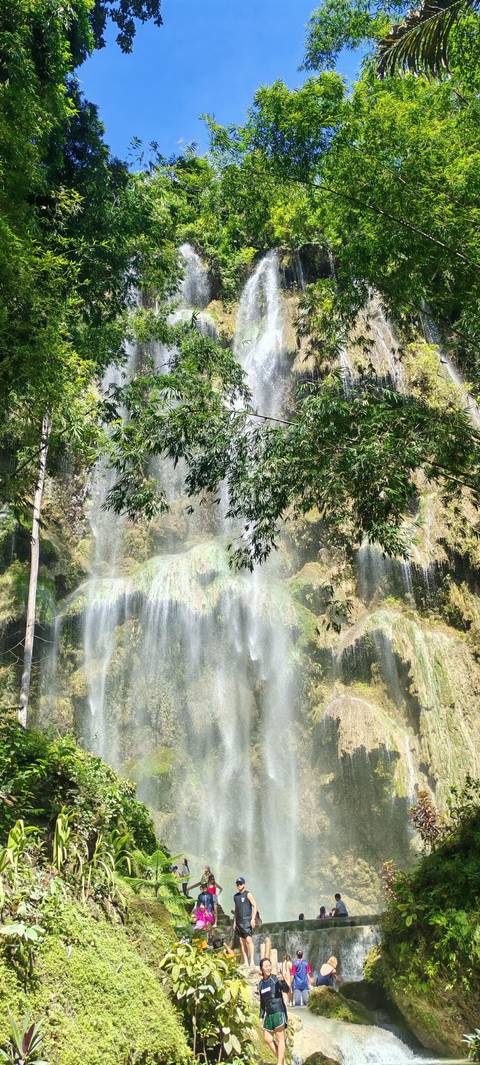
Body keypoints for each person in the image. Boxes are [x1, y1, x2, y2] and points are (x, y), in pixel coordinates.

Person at [258, 956, 289, 1065]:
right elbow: (262, 1002)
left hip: (278, 1011)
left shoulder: (275, 978)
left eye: (269, 965)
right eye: (265, 966)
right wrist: (261, 1017)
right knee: (267, 1038)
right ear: (261, 968)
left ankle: (280, 1063)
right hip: (269, 1014)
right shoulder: (261, 984)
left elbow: (287, 990)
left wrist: (283, 981)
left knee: (280, 1038)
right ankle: (283, 1062)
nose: (268, 968)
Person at [233, 876, 258, 969]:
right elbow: (236, 910)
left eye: (240, 883)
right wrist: (234, 921)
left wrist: (253, 919)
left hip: (247, 921)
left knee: (249, 940)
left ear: (244, 884)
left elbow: (255, 905)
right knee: (241, 941)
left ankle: (252, 961)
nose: (239, 885)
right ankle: (245, 962)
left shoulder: (248, 894)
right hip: (239, 922)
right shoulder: (235, 897)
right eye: (237, 884)